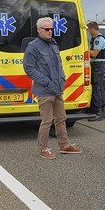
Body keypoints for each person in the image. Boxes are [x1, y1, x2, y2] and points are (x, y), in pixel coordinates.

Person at [23, 17, 83, 159]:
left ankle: (65, 145)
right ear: (39, 30)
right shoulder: (33, 46)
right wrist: (47, 82)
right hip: (44, 90)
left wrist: (62, 79)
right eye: (47, 29)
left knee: (61, 118)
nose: (50, 32)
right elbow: (29, 68)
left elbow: (58, 64)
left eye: (51, 29)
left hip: (57, 89)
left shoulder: (53, 44)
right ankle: (44, 149)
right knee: (47, 121)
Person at [87, 21, 105, 121]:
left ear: (92, 28)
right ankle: (101, 110)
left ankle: (99, 111)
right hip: (98, 65)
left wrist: (85, 50)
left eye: (89, 29)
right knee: (99, 87)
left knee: (97, 88)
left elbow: (94, 54)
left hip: (98, 65)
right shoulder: (95, 39)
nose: (89, 31)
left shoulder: (99, 39)